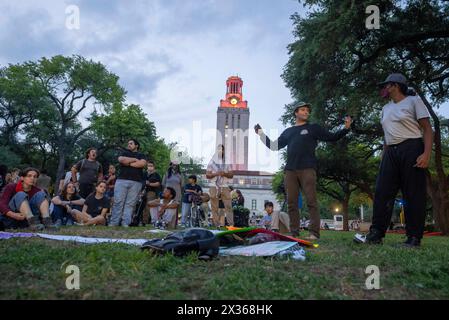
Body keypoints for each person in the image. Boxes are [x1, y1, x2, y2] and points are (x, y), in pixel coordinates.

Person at [255, 101, 352, 239]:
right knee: (292, 203)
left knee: (311, 201)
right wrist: (261, 134)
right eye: (303, 110)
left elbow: (332, 137)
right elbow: (274, 146)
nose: (306, 112)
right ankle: (294, 233)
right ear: (296, 112)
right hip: (290, 171)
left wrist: (346, 128)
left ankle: (314, 233)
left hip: (308, 169)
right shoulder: (288, 132)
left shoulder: (313, 128)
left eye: (307, 110)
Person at [359, 73, 433, 248]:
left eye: (386, 86)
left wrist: (426, 154)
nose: (383, 89)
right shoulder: (385, 108)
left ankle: (414, 238)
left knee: (413, 194)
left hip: (412, 148)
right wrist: (384, 158)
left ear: (395, 85)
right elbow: (387, 135)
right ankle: (376, 233)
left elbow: (428, 129)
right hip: (391, 151)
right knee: (382, 191)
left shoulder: (414, 101)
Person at [109, 139, 147, 227]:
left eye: (131, 143)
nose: (128, 145)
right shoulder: (124, 152)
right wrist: (134, 160)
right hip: (121, 180)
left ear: (136, 145)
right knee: (118, 202)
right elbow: (121, 160)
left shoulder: (141, 155)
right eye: (128, 143)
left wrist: (128, 163)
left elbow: (142, 164)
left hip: (136, 182)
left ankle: (125, 223)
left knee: (130, 204)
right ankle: (114, 222)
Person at [206, 144, 234, 227]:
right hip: (213, 185)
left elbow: (231, 174)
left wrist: (224, 173)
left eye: (221, 150)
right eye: (218, 149)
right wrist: (215, 174)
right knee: (214, 206)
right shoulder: (211, 162)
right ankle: (216, 224)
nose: (220, 151)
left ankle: (231, 225)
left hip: (224, 185)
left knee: (228, 205)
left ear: (223, 151)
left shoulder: (227, 162)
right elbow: (207, 175)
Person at [142, 161, 162, 225]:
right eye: (148, 166)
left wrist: (149, 184)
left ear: (153, 167)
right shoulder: (144, 174)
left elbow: (158, 184)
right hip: (143, 192)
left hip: (152, 192)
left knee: (149, 206)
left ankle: (147, 221)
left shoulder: (156, 174)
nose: (149, 167)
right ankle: (143, 220)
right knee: (143, 206)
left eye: (151, 166)